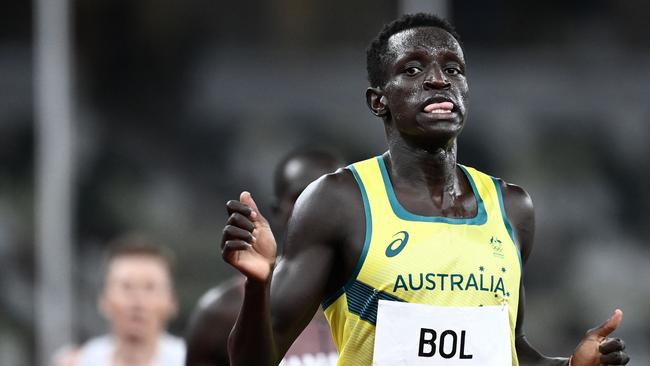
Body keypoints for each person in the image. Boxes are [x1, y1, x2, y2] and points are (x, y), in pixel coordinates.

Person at [220, 13, 630, 366]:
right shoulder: (339, 201)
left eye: (453, 69)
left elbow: (509, 351)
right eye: (413, 70)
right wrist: (259, 286)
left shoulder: (511, 208)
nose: (438, 80)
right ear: (378, 100)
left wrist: (571, 364)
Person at [185, 148, 344, 366]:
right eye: (301, 197)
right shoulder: (221, 312)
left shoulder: (383, 292)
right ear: (277, 211)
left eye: (327, 196)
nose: (314, 209)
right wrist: (257, 287)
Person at [57, 234, 186, 366]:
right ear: (104, 300)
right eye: (126, 287)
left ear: (172, 302)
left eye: (150, 288)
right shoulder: (81, 361)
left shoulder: (191, 360)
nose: (138, 302)